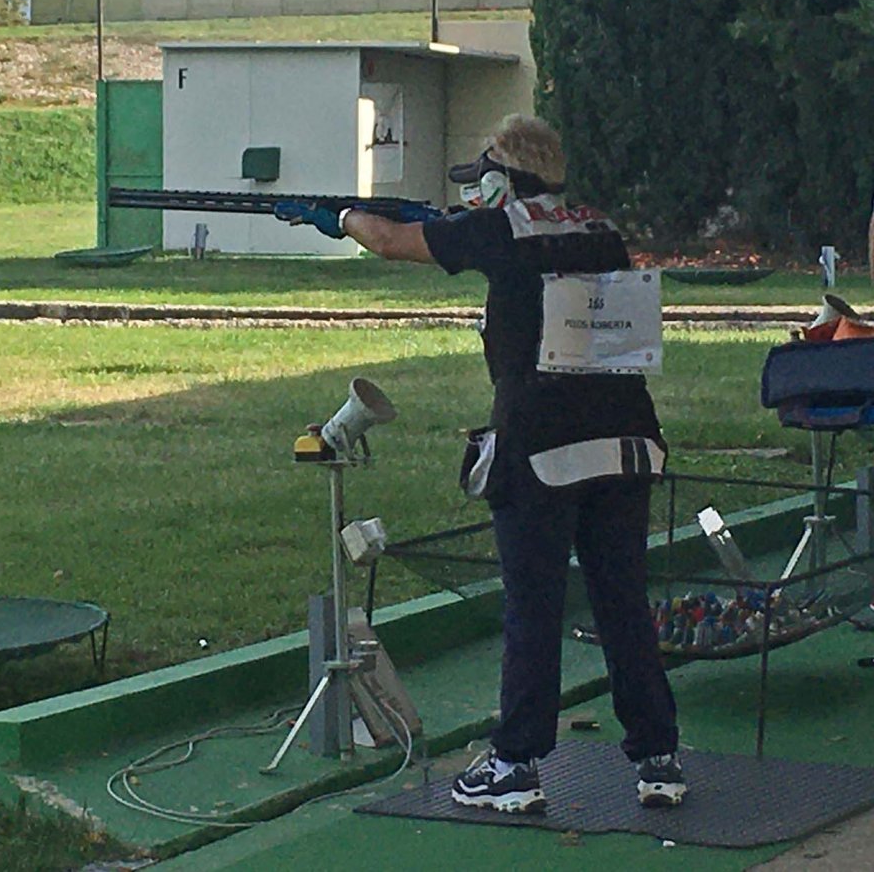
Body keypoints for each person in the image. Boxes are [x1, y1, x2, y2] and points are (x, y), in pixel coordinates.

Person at [277, 114, 685, 813]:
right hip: (623, 441)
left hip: (542, 447)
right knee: (622, 603)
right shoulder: (598, 229)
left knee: (533, 608)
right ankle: (657, 756)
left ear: (502, 179)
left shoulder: (500, 229)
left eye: (481, 177)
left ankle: (515, 765)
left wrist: (338, 214)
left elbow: (387, 239)